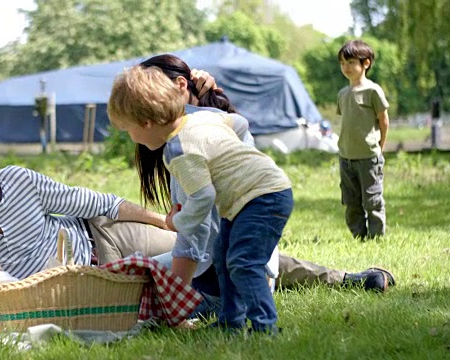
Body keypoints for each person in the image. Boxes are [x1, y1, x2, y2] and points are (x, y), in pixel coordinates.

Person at [136, 55, 394, 314]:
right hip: (235, 255)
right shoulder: (214, 125)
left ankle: (336, 284)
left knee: (150, 282)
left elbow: (194, 239)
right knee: (247, 258)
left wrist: (173, 296)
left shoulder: (192, 141)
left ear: (181, 86)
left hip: (216, 271)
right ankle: (348, 280)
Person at [108, 66, 296, 334]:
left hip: (260, 199)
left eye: (129, 130)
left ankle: (265, 328)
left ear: (147, 123)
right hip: (262, 193)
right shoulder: (204, 118)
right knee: (222, 256)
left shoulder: (178, 150)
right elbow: (239, 123)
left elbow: (203, 198)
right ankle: (231, 322)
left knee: (243, 263)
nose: (132, 138)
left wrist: (177, 221)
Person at [0, 124, 178, 320]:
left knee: (192, 249)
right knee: (183, 288)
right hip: (81, 290)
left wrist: (164, 221)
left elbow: (100, 203)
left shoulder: (19, 180)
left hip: (101, 236)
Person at [337, 39, 390, 239]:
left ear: (365, 63)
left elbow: (383, 121)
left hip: (368, 157)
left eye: (351, 62)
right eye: (342, 63)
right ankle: (359, 236)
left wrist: (380, 146)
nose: (346, 67)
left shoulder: (373, 91)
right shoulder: (343, 94)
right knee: (351, 202)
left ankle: (376, 237)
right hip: (346, 157)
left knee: (372, 199)